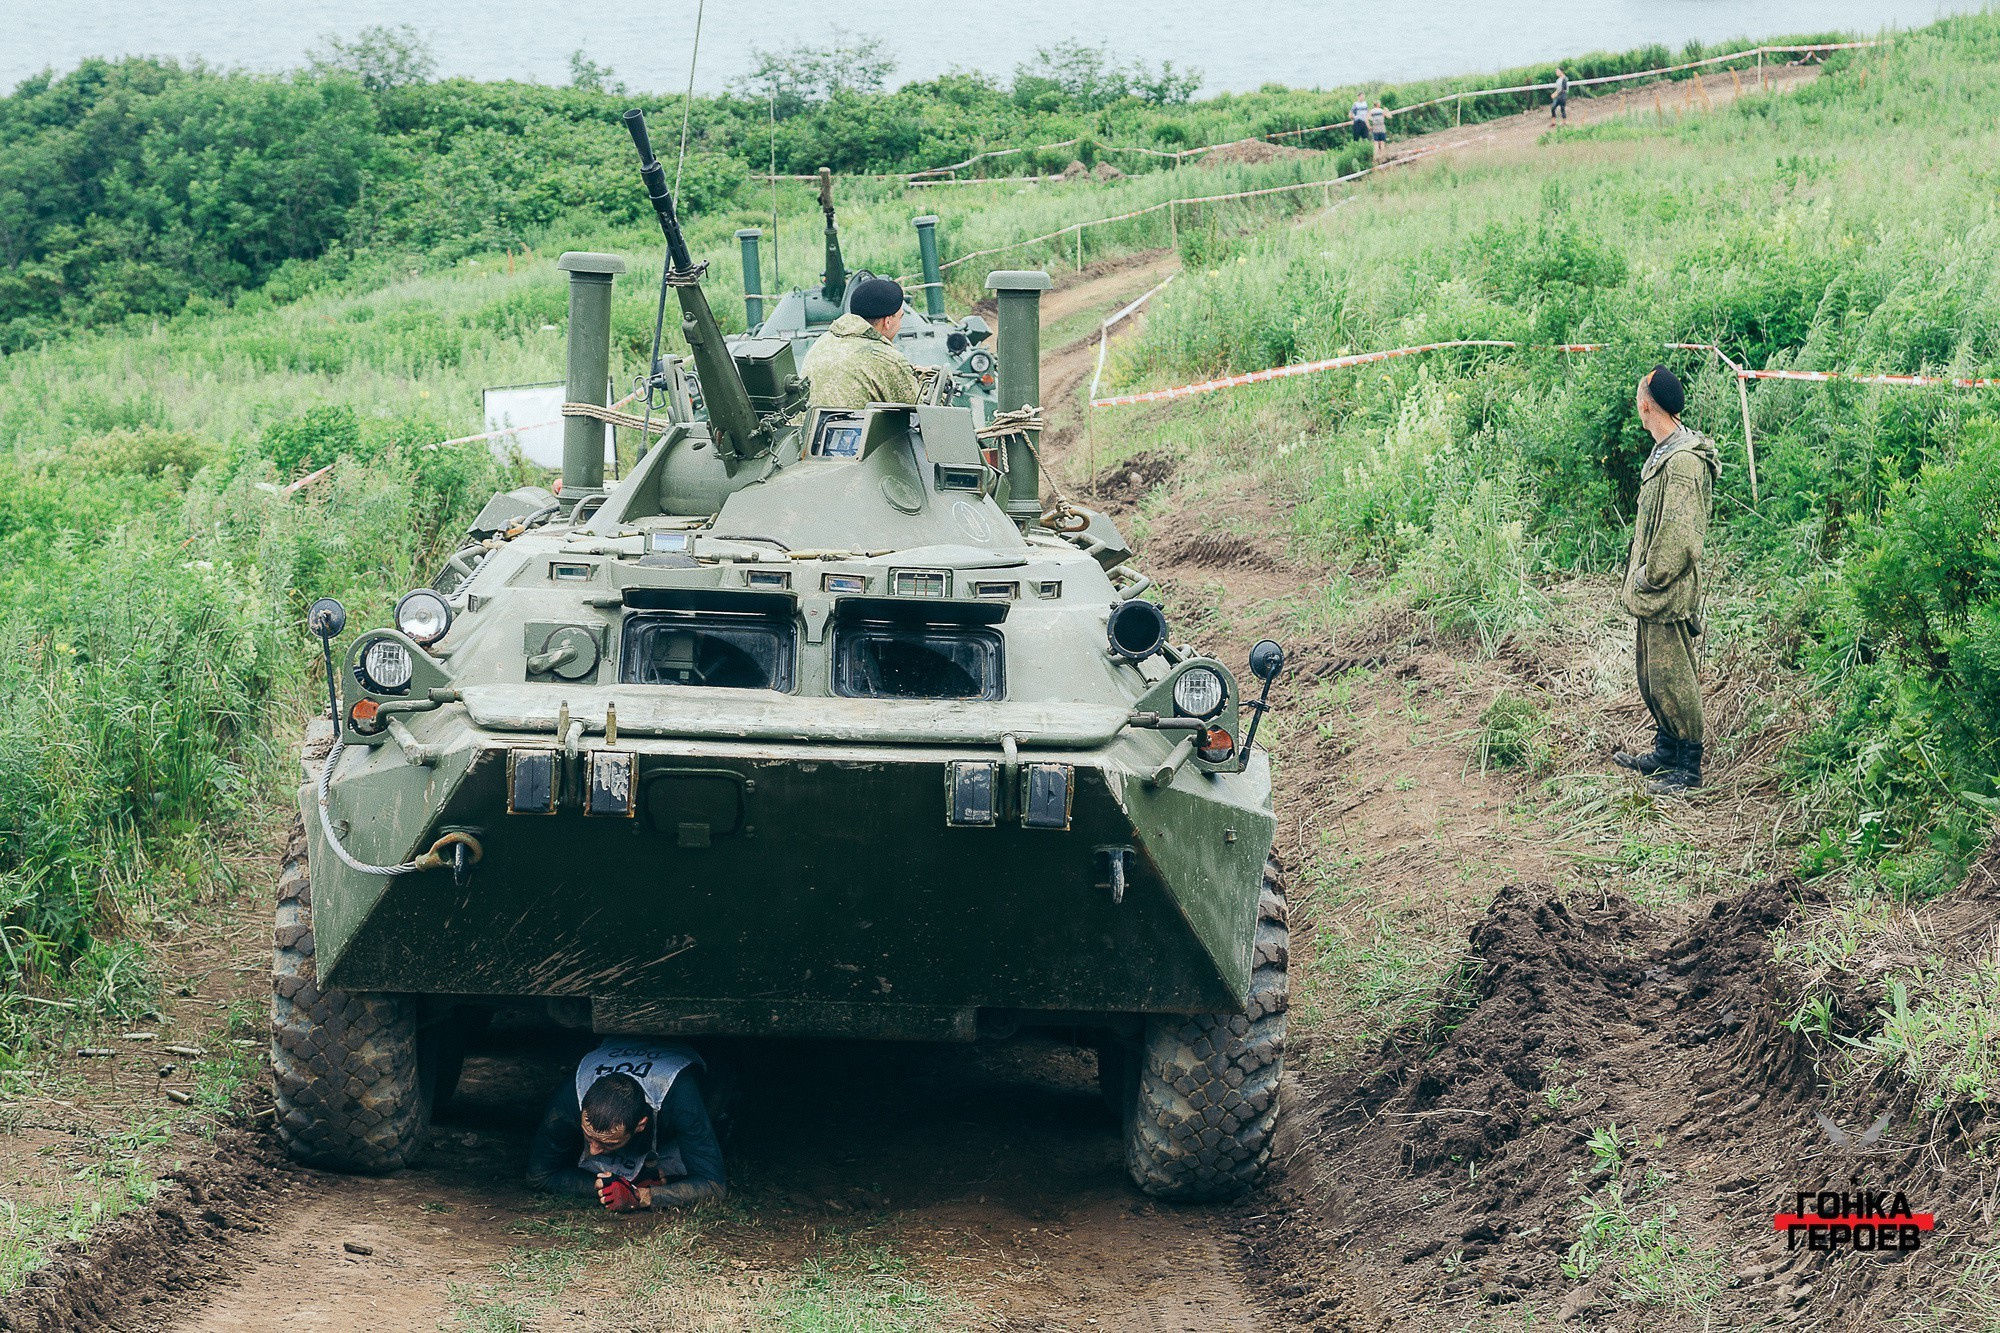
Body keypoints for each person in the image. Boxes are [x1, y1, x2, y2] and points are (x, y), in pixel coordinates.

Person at [1613, 366, 1720, 795]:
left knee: (1675, 679)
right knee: (1654, 676)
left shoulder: (1682, 464)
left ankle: (1687, 770)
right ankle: (1667, 752)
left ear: (1645, 405)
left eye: (1637, 399)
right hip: (1653, 593)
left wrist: (1648, 576)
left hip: (1666, 591)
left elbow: (1679, 535)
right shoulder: (1664, 453)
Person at [526, 1038, 725, 1211]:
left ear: (641, 1125)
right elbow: (539, 1176)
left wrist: (642, 1197)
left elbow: (713, 1185)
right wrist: (605, 1189)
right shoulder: (570, 1098)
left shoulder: (681, 1099)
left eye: (608, 1144)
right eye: (588, 1137)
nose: (594, 1151)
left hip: (688, 1055)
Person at [801, 276, 921, 409]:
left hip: (807, 428)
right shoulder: (886, 359)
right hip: (848, 429)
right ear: (887, 322)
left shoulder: (824, 341)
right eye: (900, 317)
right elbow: (920, 409)